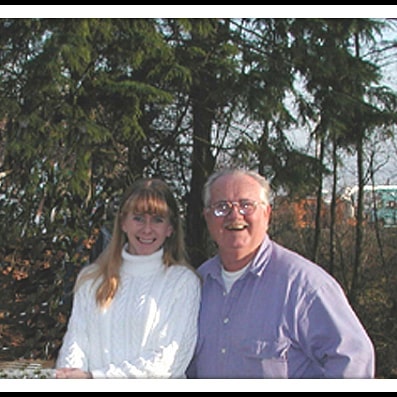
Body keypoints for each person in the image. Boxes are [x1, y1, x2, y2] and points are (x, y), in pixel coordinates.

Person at [187, 168, 375, 379]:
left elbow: (353, 360)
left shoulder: (304, 286)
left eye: (246, 205)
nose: (235, 215)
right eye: (222, 207)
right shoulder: (197, 284)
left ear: (267, 213)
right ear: (207, 217)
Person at [55, 178, 201, 379]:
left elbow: (169, 362)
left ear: (170, 228)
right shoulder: (91, 279)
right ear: (123, 222)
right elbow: (75, 345)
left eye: (158, 220)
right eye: (138, 218)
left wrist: (96, 378)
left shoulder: (182, 282)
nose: (147, 229)